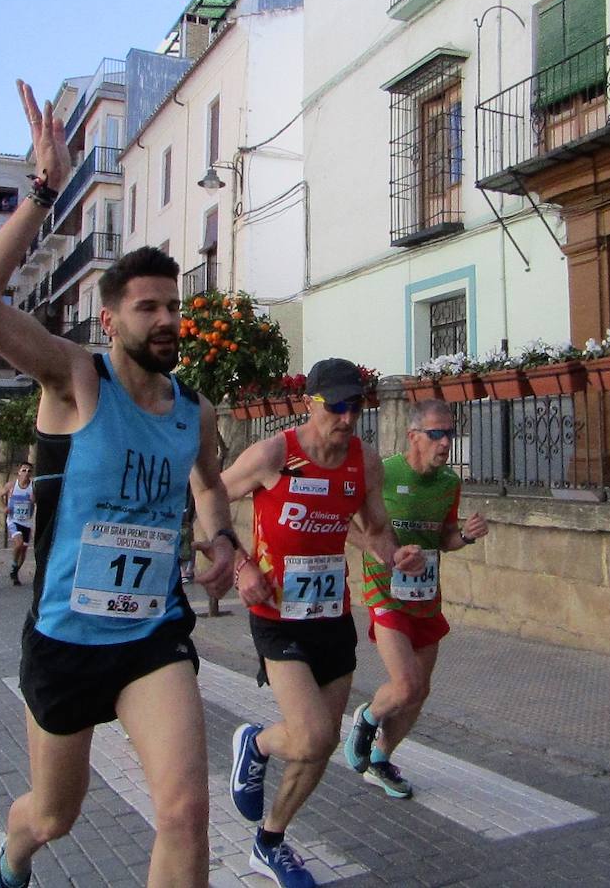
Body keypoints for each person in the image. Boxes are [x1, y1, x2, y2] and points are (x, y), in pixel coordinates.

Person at [0, 79, 237, 888]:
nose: (167, 320)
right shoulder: (75, 381)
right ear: (109, 320)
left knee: (185, 811)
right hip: (66, 640)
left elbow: (210, 487)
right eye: (147, 307)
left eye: (174, 306)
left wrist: (219, 539)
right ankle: (13, 858)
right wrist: (44, 191)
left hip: (151, 635)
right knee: (55, 817)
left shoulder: (195, 411)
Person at [220, 358, 424, 888]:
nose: (347, 416)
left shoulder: (365, 462)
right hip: (276, 615)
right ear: (308, 403)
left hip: (331, 615)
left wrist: (395, 554)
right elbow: (209, 498)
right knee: (310, 736)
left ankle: (269, 842)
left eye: (355, 405)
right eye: (335, 404)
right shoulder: (273, 454)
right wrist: (241, 566)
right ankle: (259, 744)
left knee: (324, 741)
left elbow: (375, 531)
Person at [342, 399, 489, 799]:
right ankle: (366, 717)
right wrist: (378, 552)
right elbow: (345, 523)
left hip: (425, 596)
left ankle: (380, 759)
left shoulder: (448, 485)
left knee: (419, 692)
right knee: (405, 685)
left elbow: (444, 539)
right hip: (384, 591)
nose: (445, 443)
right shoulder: (384, 473)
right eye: (436, 434)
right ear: (413, 437)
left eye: (450, 434)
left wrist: (469, 536)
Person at [3, 462, 36, 586]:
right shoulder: (11, 485)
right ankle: (13, 564)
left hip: (27, 521)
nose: (26, 473)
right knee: (19, 543)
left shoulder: (33, 486)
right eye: (24, 470)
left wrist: (34, 499)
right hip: (13, 520)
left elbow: (36, 501)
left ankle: (15, 571)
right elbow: (1, 495)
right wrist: (5, 507)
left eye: (29, 471)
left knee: (24, 550)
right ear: (19, 472)